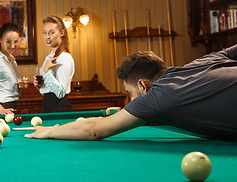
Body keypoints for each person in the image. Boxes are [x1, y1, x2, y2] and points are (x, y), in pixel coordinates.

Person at [26, 44, 237, 141]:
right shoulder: (202, 61)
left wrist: (50, 131)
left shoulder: (159, 95)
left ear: (143, 85)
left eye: (130, 93)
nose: (133, 101)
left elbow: (95, 129)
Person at [33, 16, 75, 113]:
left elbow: (60, 92)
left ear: (62, 33)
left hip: (59, 108)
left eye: (51, 32)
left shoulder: (64, 57)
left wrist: (46, 71)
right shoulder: (50, 57)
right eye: (44, 32)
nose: (47, 36)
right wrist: (40, 85)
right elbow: (49, 88)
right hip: (49, 106)